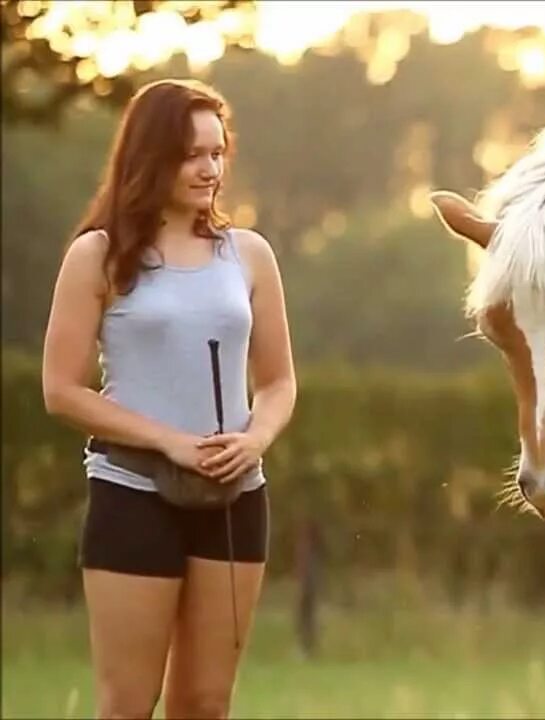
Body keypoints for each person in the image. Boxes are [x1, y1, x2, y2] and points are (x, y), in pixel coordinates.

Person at [41, 77, 296, 719]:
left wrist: (254, 440)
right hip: (133, 493)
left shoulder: (250, 255)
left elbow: (278, 382)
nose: (209, 169)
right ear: (151, 156)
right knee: (129, 704)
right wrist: (169, 441)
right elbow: (61, 390)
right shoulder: (97, 256)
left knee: (206, 704)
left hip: (235, 498)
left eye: (217, 152)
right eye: (191, 154)